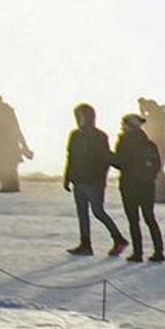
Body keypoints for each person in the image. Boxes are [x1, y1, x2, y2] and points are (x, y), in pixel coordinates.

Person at [114, 110, 165, 263]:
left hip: (129, 185)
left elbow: (120, 163)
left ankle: (138, 253)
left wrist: (107, 157)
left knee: (133, 220)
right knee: (150, 218)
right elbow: (157, 165)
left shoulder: (124, 142)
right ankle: (159, 251)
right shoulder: (148, 143)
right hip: (147, 185)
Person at [64, 103, 114, 257]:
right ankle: (85, 244)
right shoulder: (75, 135)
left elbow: (105, 160)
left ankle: (118, 238)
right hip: (79, 180)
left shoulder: (100, 136)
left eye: (80, 116)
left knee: (98, 211)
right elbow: (71, 157)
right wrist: (67, 177)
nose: (78, 120)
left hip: (94, 181)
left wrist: (100, 178)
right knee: (82, 213)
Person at [0, 94, 27, 193]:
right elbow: (16, 128)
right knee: (11, 166)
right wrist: (24, 145)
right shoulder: (8, 110)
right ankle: (14, 186)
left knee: (2, 166)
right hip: (11, 144)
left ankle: (6, 186)